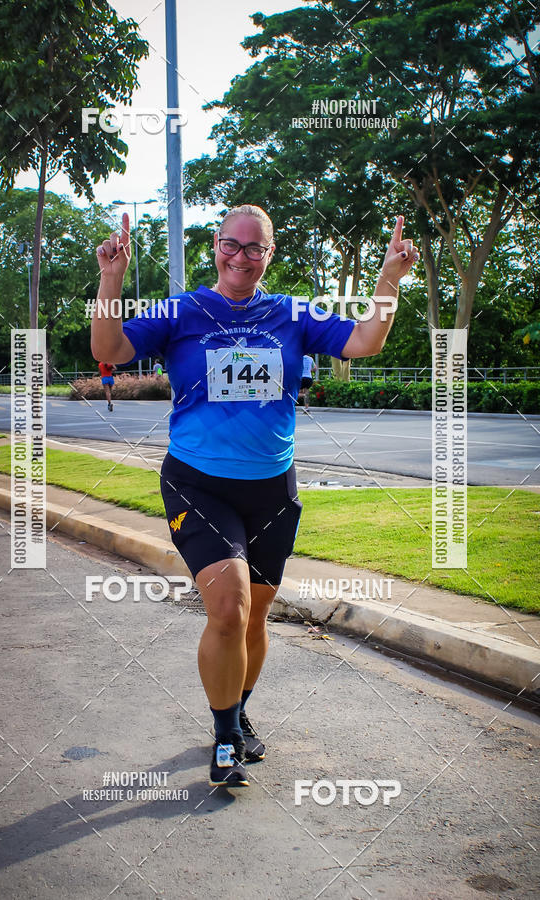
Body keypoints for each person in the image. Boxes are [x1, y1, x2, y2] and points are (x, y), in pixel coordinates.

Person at [91, 204, 418, 787]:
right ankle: (224, 738)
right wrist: (111, 279)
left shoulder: (292, 313)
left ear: (269, 255)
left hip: (272, 487)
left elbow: (366, 341)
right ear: (214, 248)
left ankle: (239, 713)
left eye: (254, 248)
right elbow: (111, 350)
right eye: (230, 245)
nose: (240, 257)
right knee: (230, 606)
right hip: (197, 481)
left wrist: (389, 279)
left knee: (255, 616)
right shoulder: (182, 311)